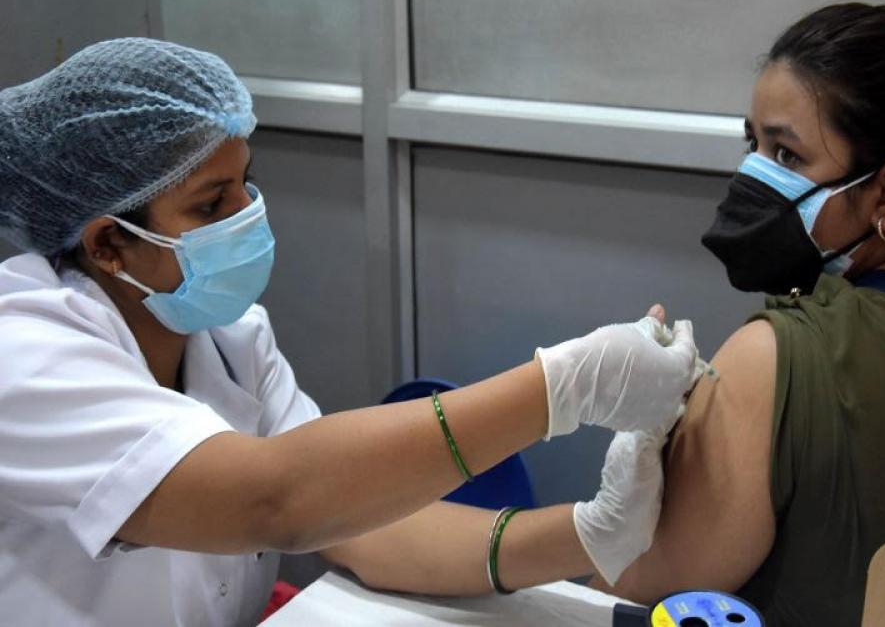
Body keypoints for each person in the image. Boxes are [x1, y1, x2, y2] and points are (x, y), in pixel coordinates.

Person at [0, 39, 706, 626]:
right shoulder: (26, 357)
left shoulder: (232, 339)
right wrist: (563, 387)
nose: (250, 213)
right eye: (213, 202)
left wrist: (587, 532)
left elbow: (358, 523)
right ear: (108, 245)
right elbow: (277, 500)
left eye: (248, 181)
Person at [589, 3, 885, 626]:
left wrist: (603, 491)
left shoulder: (777, 357)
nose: (752, 176)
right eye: (752, 142)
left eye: (786, 156)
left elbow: (629, 582)